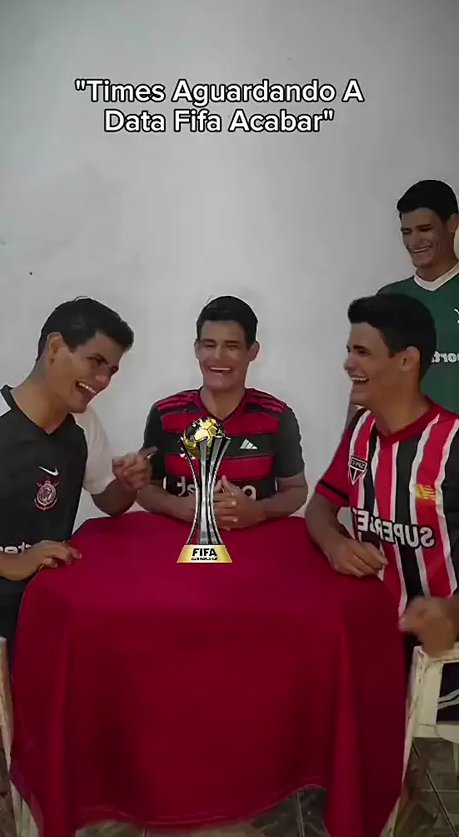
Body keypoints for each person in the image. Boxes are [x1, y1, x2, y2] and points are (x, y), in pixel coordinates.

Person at [306, 293, 459, 720]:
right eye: (349, 350)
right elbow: (319, 506)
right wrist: (334, 544)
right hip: (371, 640)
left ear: (406, 360)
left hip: (440, 661)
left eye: (362, 352)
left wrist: (453, 611)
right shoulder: (361, 429)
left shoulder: (452, 444)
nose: (348, 364)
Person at [0, 297, 154, 659]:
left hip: (47, 613)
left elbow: (109, 501)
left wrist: (128, 484)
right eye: (95, 362)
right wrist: (10, 563)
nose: (103, 380)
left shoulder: (84, 425)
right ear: (55, 347)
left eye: (111, 370)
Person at [136, 295, 307, 528]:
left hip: (254, 542)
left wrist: (259, 511)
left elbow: (296, 490)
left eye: (231, 346)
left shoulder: (277, 417)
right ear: (197, 349)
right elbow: (145, 487)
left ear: (253, 351)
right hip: (181, 543)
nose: (218, 356)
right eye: (209, 345)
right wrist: (174, 506)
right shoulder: (165, 414)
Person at [347, 179, 459, 423]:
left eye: (424, 229)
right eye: (407, 232)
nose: (414, 242)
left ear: (452, 223)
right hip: (405, 442)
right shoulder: (389, 300)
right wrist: (351, 442)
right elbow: (365, 381)